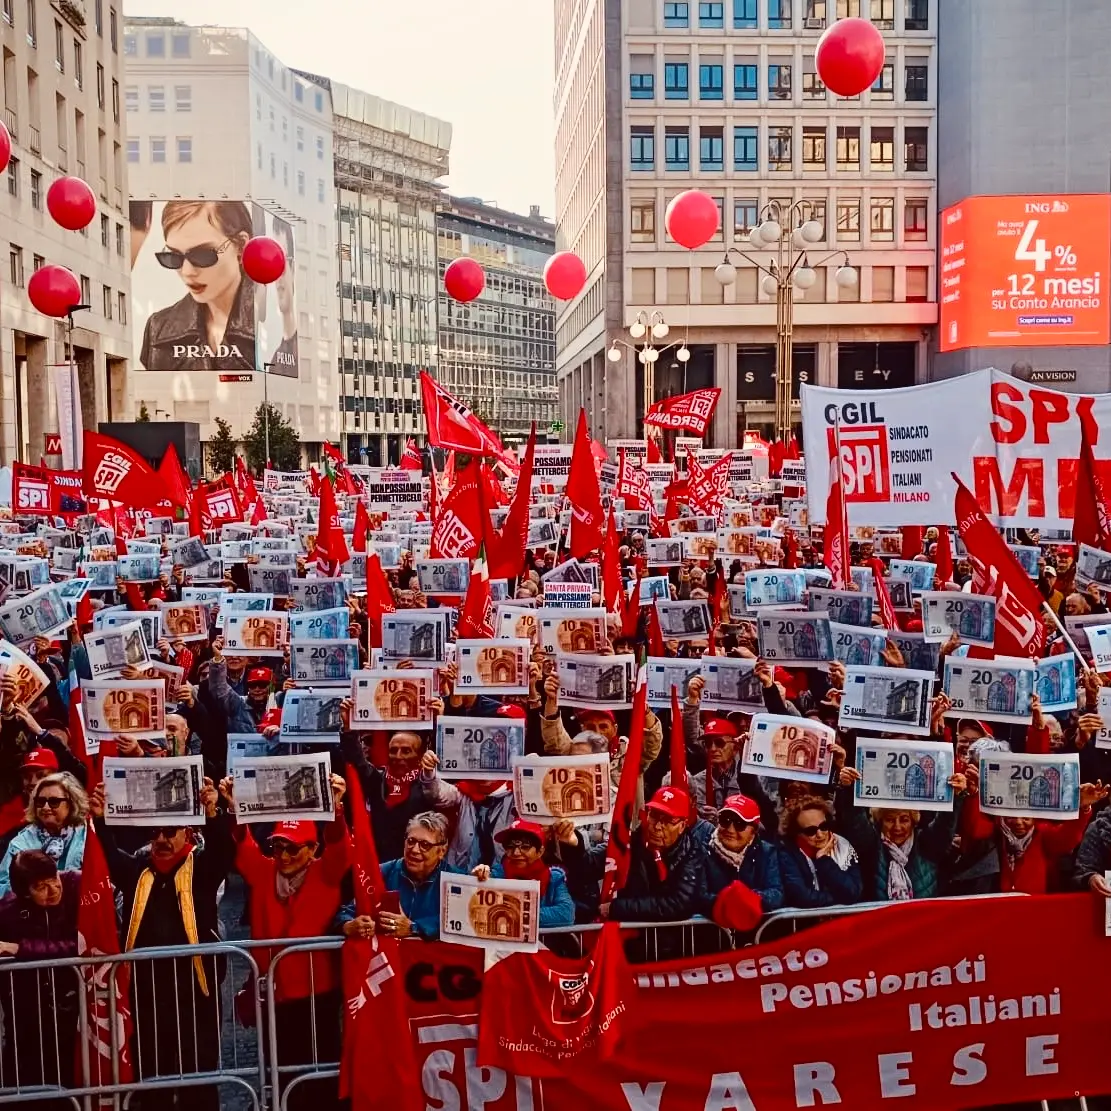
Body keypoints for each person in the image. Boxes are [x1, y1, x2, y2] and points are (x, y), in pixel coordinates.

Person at [91, 777, 233, 1111]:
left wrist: (213, 811)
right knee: (152, 1073)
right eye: (154, 833)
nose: (161, 840)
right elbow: (109, 854)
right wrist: (99, 815)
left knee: (198, 1073)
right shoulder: (138, 870)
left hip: (196, 990)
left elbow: (225, 851)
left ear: (187, 833)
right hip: (147, 990)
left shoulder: (202, 867)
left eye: (170, 832)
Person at [224, 774, 350, 1111]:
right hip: (274, 992)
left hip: (316, 993)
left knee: (319, 1064)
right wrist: (236, 808)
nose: (284, 855)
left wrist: (336, 808)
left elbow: (340, 845)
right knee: (277, 1063)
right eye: (278, 846)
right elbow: (243, 844)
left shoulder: (326, 873)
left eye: (293, 848)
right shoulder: (264, 872)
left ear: (312, 850)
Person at [0, 851, 80, 1107]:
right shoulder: (8, 911)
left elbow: (84, 945)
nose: (53, 889)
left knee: (68, 1080)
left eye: (53, 879)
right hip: (26, 1012)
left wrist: (21, 949)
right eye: (40, 887)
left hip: (73, 1007)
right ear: (24, 894)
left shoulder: (78, 886)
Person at [139, 199, 257, 372]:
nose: (187, 271)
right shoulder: (157, 330)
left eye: (203, 255)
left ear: (241, 245)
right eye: (174, 256)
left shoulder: (269, 324)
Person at [558, 786, 704, 923]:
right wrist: (573, 845)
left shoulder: (692, 853)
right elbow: (585, 869)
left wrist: (617, 908)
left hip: (671, 944)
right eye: (654, 816)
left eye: (667, 821)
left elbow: (679, 904)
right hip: (629, 942)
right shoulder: (628, 844)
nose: (658, 827)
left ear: (682, 826)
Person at [337, 811, 461, 941]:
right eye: (411, 841)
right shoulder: (382, 873)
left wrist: (413, 928)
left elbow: (462, 923)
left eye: (425, 845)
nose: (414, 849)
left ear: (441, 851)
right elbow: (345, 914)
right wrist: (349, 926)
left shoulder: (455, 881)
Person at [694, 794, 783, 930]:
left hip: (758, 937)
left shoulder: (767, 852)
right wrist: (729, 901)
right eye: (725, 820)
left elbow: (777, 893)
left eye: (739, 824)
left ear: (753, 830)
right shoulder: (702, 851)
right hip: (715, 937)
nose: (730, 829)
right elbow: (699, 895)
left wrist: (748, 898)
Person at [471, 819, 575, 928]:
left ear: (540, 851)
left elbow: (566, 914)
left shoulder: (554, 878)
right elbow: (476, 905)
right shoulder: (498, 873)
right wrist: (477, 878)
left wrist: (511, 913)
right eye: (510, 846)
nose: (516, 853)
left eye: (525, 846)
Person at [0, 773, 88, 896]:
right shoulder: (19, 843)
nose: (45, 807)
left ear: (71, 804)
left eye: (54, 801)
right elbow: (3, 887)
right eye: (40, 802)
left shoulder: (88, 836)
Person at [778, 795, 863, 908]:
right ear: (797, 833)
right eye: (811, 831)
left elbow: (853, 891)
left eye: (824, 826)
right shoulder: (787, 854)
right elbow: (802, 898)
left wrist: (824, 860)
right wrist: (841, 898)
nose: (820, 834)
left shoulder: (843, 847)